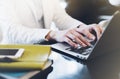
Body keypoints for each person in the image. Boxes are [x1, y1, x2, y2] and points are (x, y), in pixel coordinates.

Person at [0, 0, 102, 48]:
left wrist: (82, 27)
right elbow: (11, 31)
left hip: (43, 55)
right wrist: (53, 34)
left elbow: (62, 18)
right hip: (13, 55)